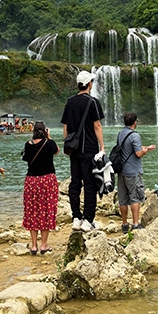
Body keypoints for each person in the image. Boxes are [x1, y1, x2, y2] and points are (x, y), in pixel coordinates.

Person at [61, 70, 105, 232]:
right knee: (90, 185)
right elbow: (97, 126)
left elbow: (65, 126)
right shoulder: (92, 102)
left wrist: (67, 145)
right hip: (89, 149)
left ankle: (76, 217)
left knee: (75, 183)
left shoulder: (69, 101)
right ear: (89, 84)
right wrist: (102, 147)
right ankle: (88, 220)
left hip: (73, 150)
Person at [22, 121, 60, 254]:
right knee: (47, 210)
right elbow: (57, 151)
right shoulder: (49, 143)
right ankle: (44, 245)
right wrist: (49, 137)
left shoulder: (28, 144)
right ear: (44, 131)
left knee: (32, 211)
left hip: (31, 181)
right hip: (47, 180)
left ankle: (33, 245)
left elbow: (26, 158)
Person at [117, 112, 156, 232]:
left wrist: (146, 147)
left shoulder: (121, 134)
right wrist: (146, 151)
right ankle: (135, 224)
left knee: (123, 199)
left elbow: (129, 147)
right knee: (135, 198)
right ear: (135, 122)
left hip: (121, 171)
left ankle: (124, 224)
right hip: (133, 171)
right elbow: (138, 153)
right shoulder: (135, 136)